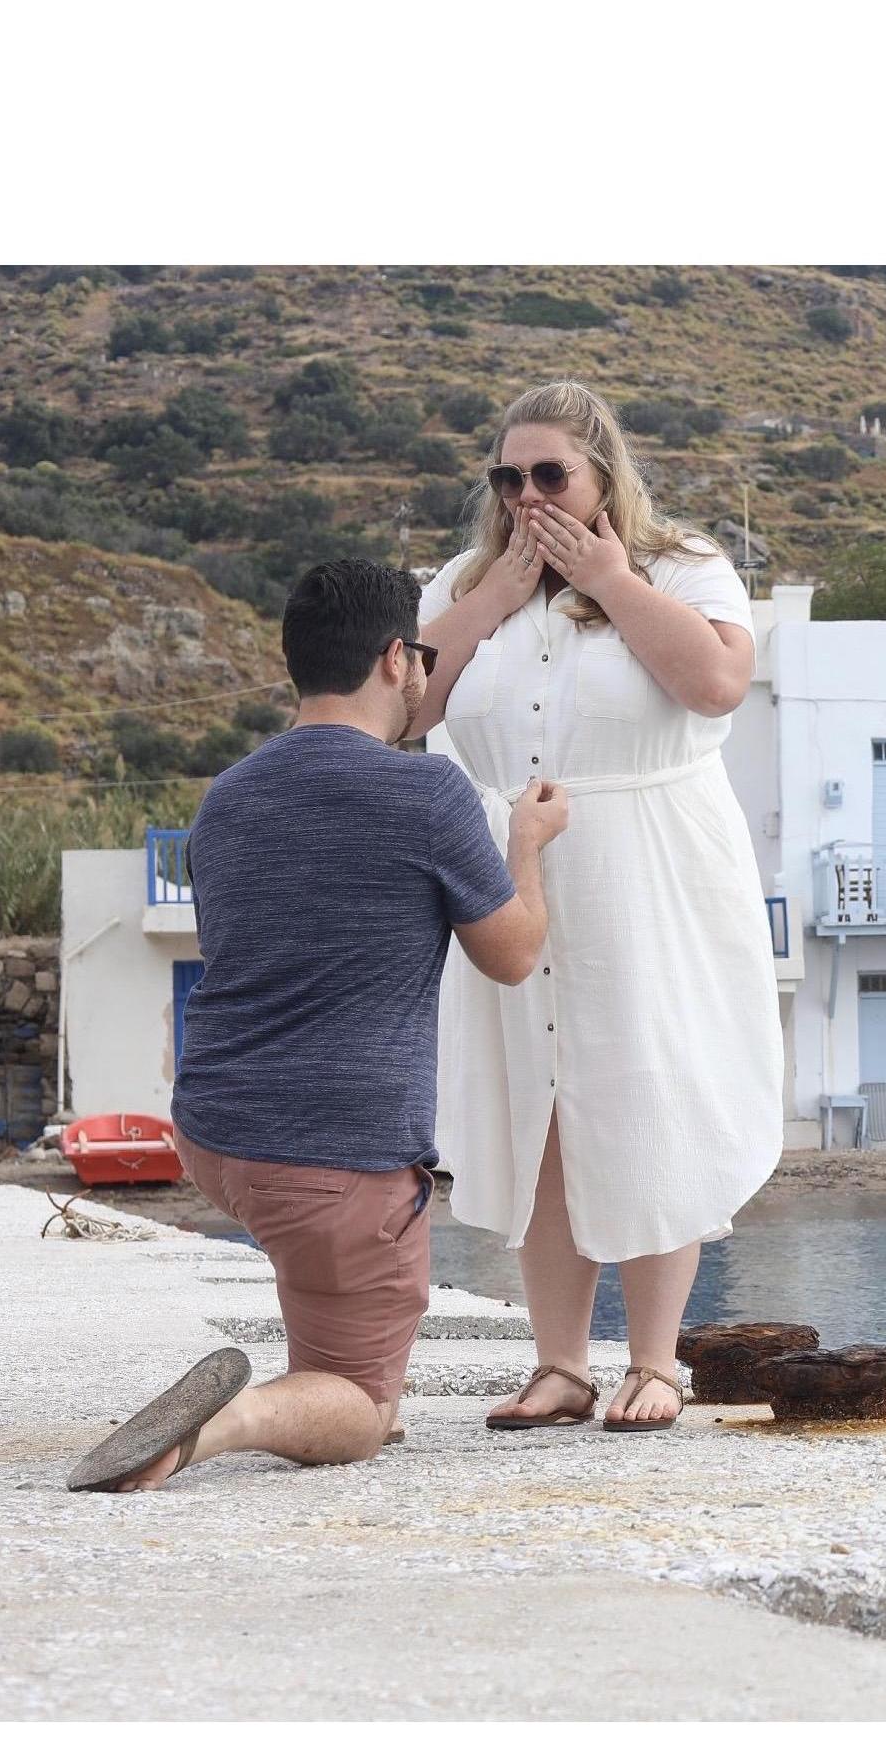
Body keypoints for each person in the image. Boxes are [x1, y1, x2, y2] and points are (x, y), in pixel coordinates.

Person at [66, 560, 569, 1492]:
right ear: (394, 660)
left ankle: (319, 1375)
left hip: (216, 1135)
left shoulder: (229, 798)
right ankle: (234, 1421)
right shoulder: (426, 797)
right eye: (421, 654)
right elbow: (512, 954)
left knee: (320, 1270)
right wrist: (526, 849)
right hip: (335, 1155)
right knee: (365, 1408)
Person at [412, 380, 781, 1432]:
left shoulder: (685, 566)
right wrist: (492, 595)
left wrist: (610, 578)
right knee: (539, 1111)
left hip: (647, 867)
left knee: (649, 1091)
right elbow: (406, 706)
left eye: (549, 474)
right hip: (512, 862)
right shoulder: (464, 580)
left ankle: (656, 1361)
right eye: (507, 477)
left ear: (600, 473)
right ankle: (560, 1363)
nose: (527, 494)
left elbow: (714, 685)